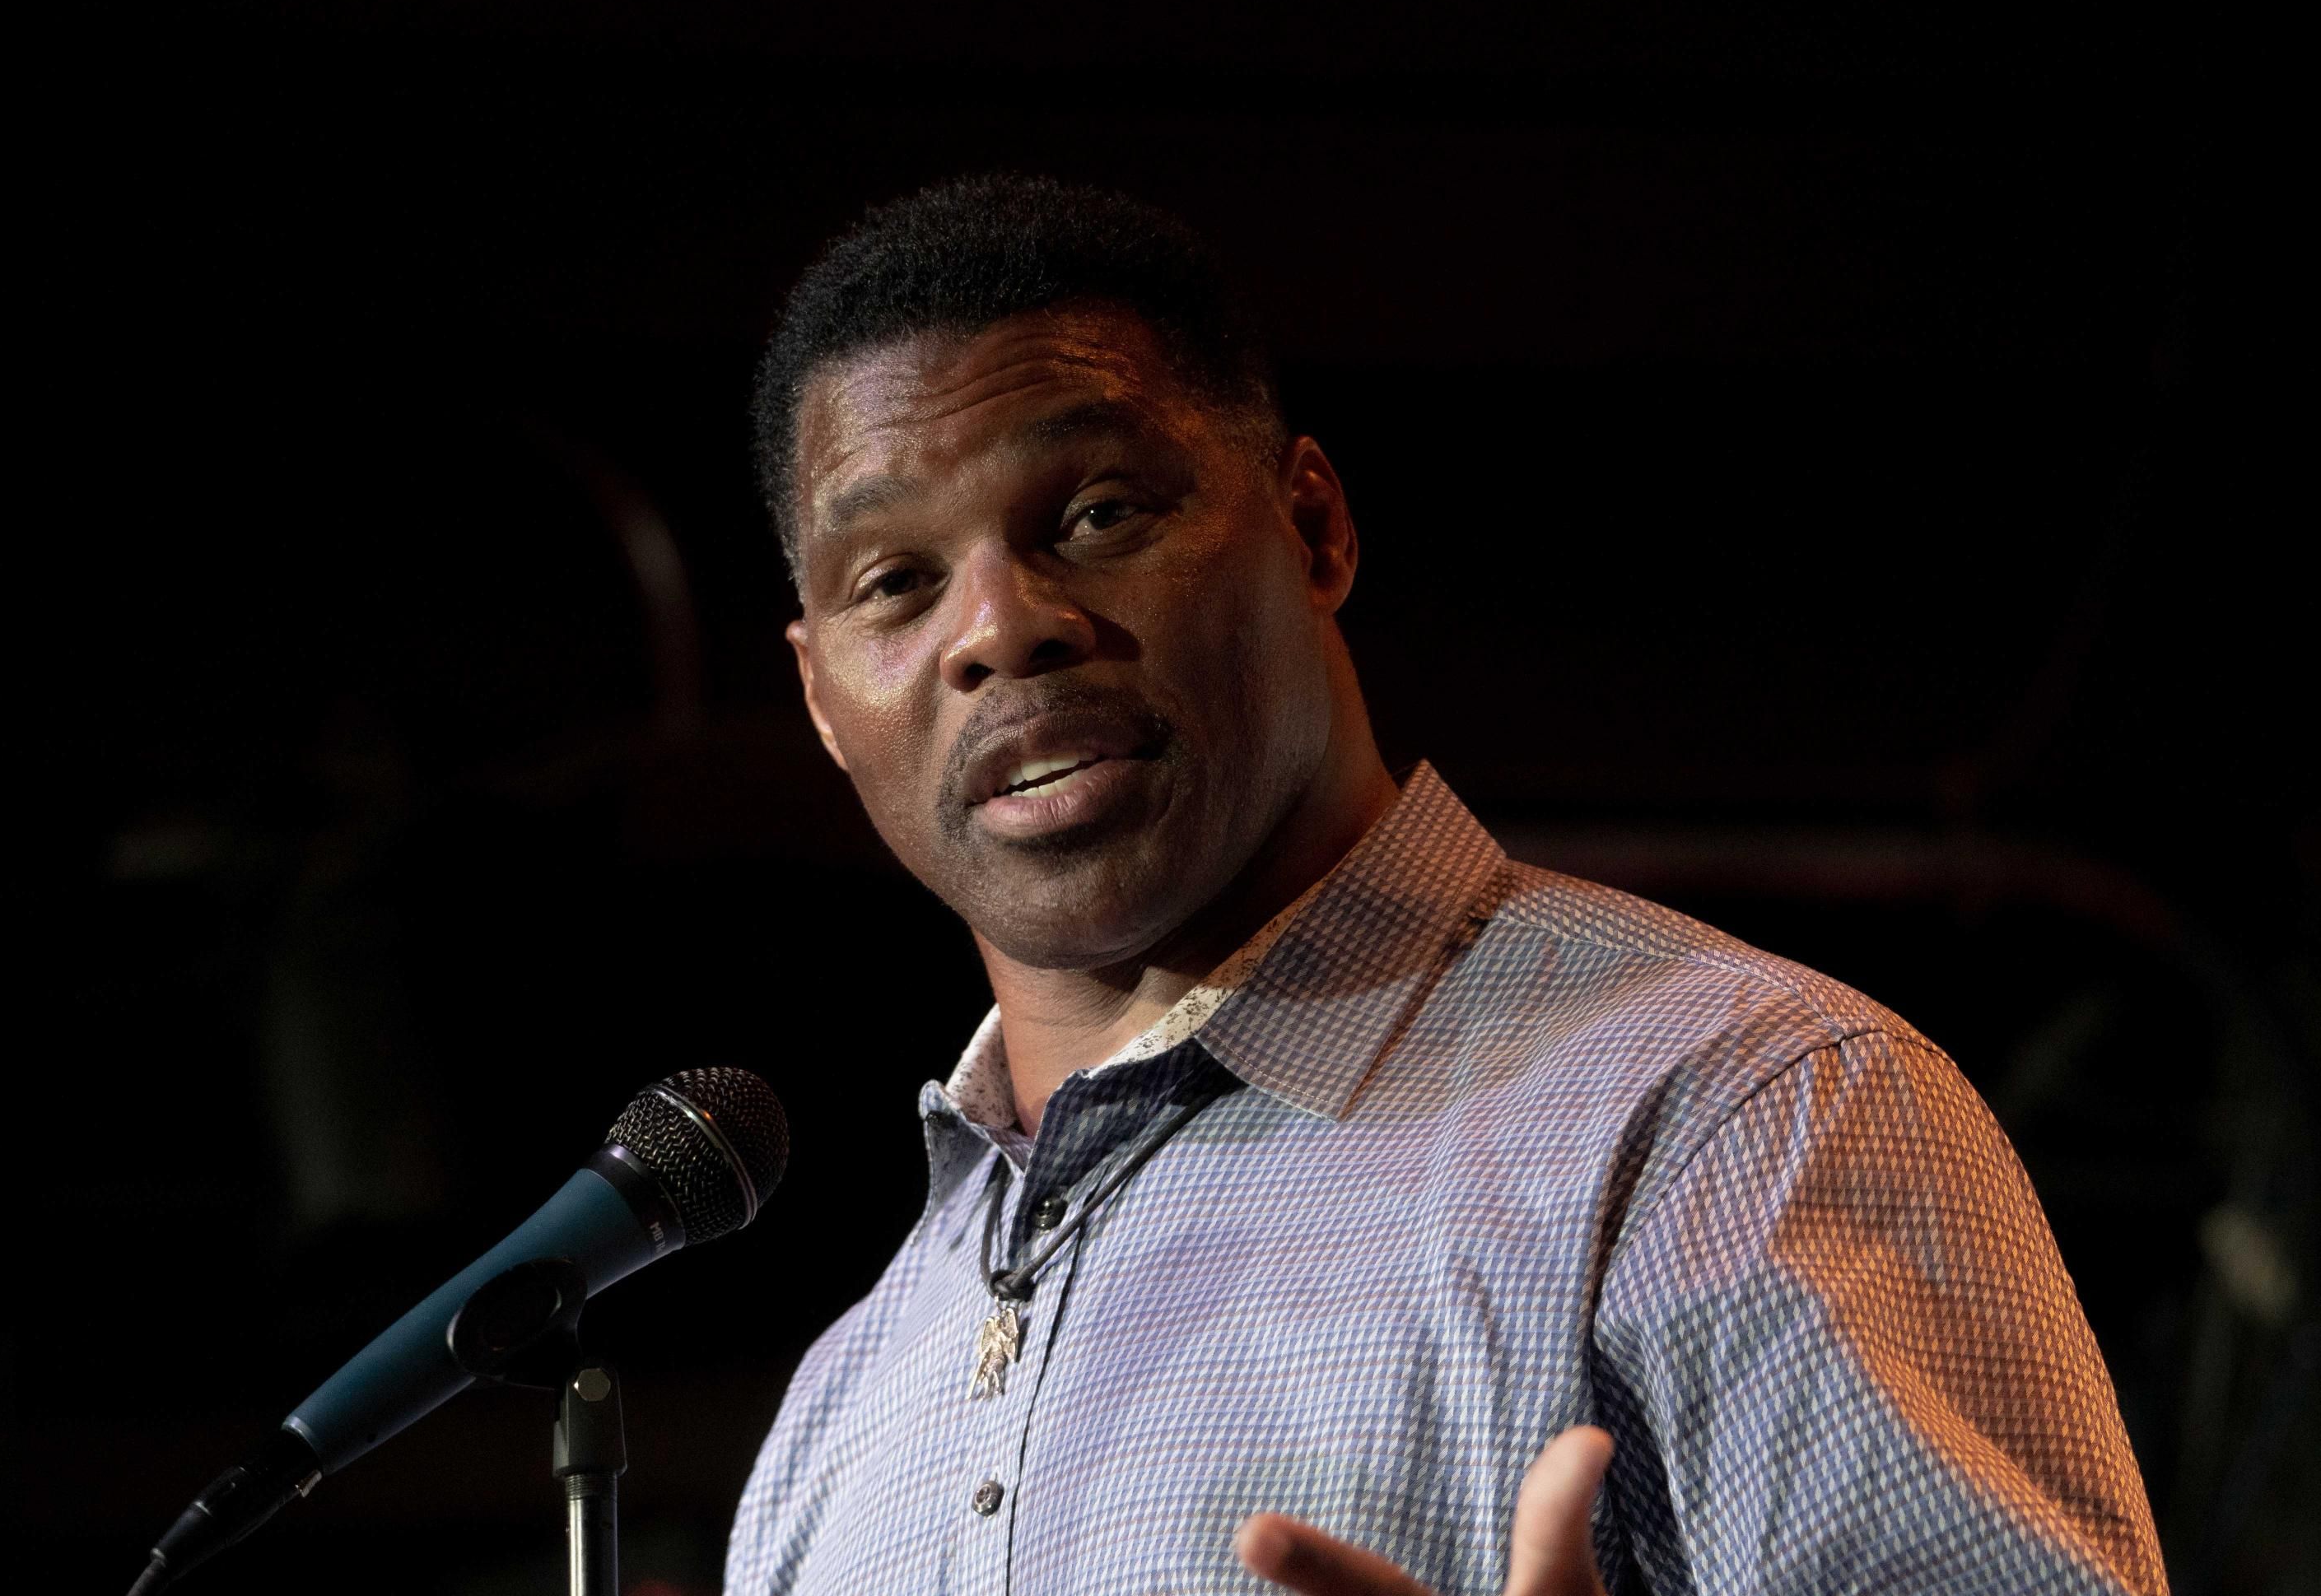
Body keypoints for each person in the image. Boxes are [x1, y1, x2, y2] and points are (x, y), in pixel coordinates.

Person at [725, 174, 2165, 1595]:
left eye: (1097, 513)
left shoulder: (1740, 1115)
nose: (1000, 628)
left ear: (1314, 530)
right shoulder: (841, 1413)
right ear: (821, 700)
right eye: (897, 581)